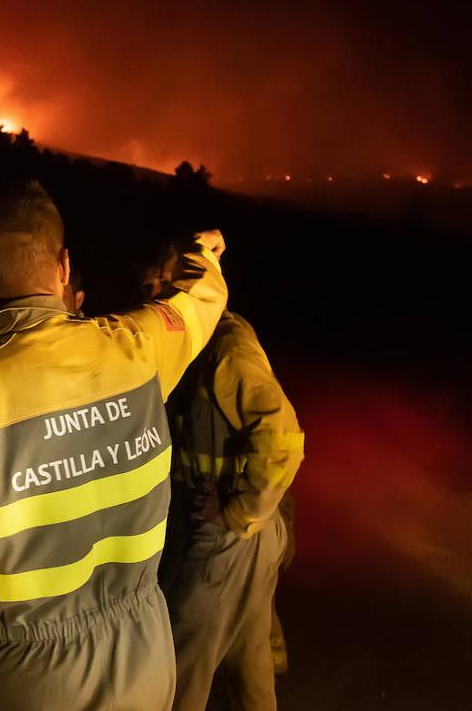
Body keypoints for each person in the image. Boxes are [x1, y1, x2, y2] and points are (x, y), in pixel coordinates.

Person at [0, 181, 228, 711]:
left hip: (28, 679)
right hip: (146, 653)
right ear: (64, 266)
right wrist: (199, 256)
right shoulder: (137, 345)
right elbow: (200, 302)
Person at [154, 243, 304, 711]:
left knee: (180, 671)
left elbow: (282, 436)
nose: (151, 302)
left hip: (228, 538)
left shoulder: (227, 352)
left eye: (160, 288)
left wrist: (236, 509)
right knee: (249, 662)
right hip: (250, 536)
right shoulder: (202, 346)